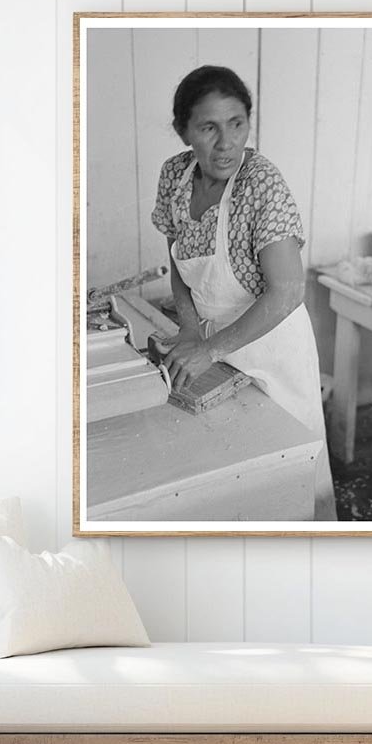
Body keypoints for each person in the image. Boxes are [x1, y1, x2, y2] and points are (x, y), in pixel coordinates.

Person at [151, 64, 337, 521]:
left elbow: (288, 291)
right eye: (209, 127)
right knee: (229, 472)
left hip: (274, 347)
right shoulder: (176, 177)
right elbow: (177, 259)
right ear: (183, 132)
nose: (227, 141)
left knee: (292, 475)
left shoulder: (261, 185)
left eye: (237, 123)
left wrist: (209, 349)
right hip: (214, 345)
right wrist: (192, 331)